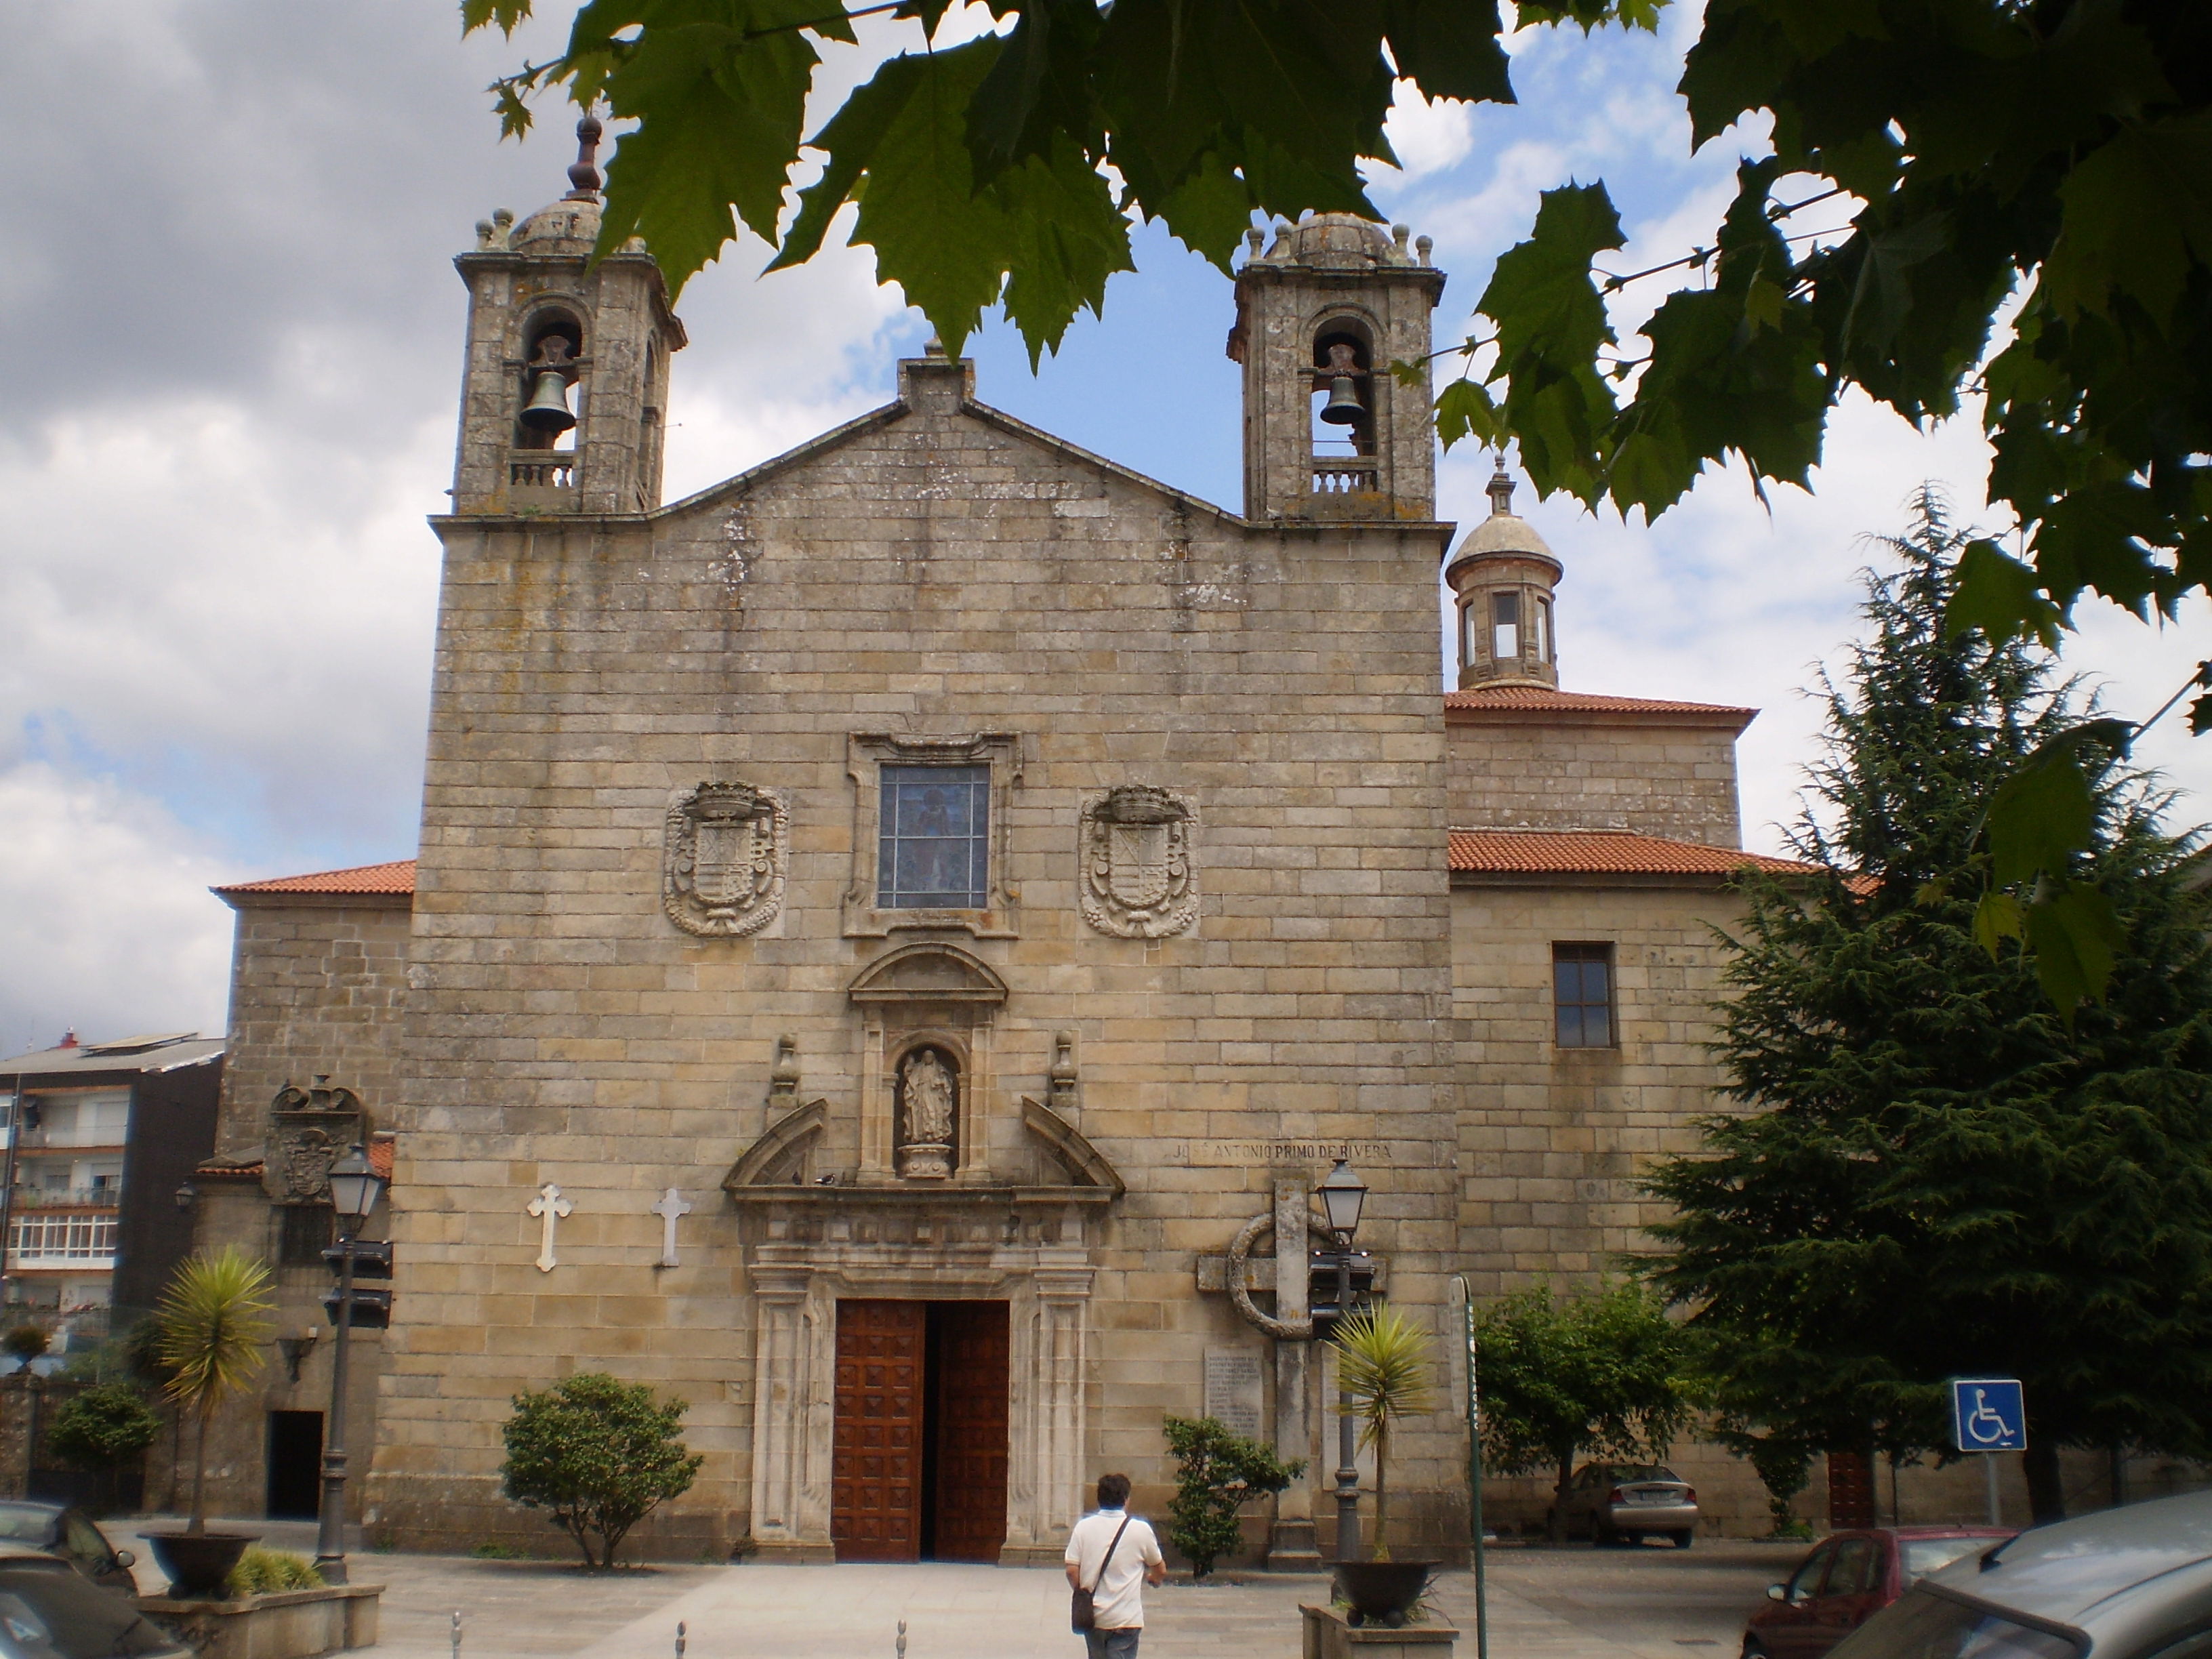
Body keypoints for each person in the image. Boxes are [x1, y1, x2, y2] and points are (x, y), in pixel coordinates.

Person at [1064, 1472, 1166, 1658]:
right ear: (1126, 1499)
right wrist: (1154, 1579)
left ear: (1099, 1499)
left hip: (1093, 1617)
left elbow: (1071, 1570)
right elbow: (1159, 1568)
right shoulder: (1140, 1529)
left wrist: (1082, 1591)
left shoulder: (1083, 1528)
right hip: (1126, 1618)